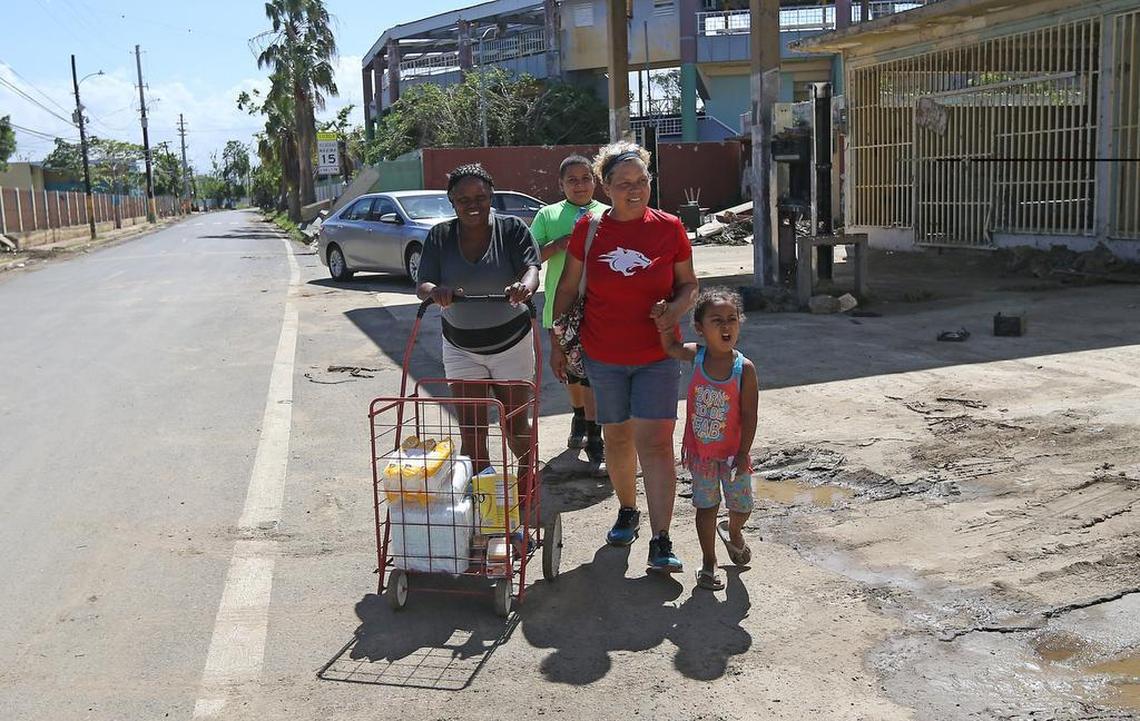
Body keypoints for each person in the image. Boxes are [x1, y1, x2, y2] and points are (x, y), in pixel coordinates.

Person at [551, 141, 699, 573]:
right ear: (606, 187)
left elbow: (689, 286)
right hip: (603, 355)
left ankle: (662, 538)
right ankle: (627, 510)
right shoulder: (590, 230)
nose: (635, 191)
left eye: (642, 182)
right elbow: (566, 288)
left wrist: (674, 310)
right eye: (624, 184)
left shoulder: (670, 227)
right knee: (616, 438)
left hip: (658, 353)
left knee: (655, 445)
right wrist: (555, 341)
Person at [415, 163, 541, 481]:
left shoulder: (512, 229)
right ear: (452, 201)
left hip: (511, 344)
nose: (473, 205)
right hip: (461, 346)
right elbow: (423, 284)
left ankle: (527, 480)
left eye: (480, 197)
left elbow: (531, 269)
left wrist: (524, 287)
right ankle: (484, 495)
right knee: (472, 430)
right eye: (463, 199)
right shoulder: (440, 236)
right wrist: (437, 292)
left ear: (491, 196)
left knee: (514, 422)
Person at [654, 288, 759, 591]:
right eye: (717, 321)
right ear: (700, 329)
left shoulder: (745, 370)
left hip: (733, 456)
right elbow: (670, 348)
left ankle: (734, 533)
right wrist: (664, 320)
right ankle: (709, 561)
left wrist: (743, 453)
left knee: (741, 507)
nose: (726, 327)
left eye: (732, 319)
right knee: (706, 508)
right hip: (701, 454)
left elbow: (750, 415)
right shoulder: (696, 356)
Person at [531, 155, 608, 463]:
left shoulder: (608, 213)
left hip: (600, 309)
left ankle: (595, 434)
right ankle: (579, 415)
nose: (580, 185)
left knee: (594, 374)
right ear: (561, 184)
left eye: (586, 178)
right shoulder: (548, 215)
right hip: (561, 309)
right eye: (572, 180)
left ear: (595, 181)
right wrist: (561, 243)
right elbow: (531, 256)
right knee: (570, 371)